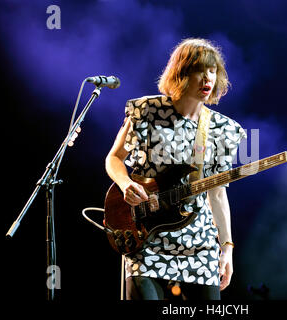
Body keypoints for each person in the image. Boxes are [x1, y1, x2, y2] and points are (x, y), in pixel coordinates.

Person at [105, 38, 246, 300]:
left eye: (213, 71)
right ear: (181, 73)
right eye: (199, 70)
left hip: (199, 242)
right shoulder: (146, 111)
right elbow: (114, 158)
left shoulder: (224, 130)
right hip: (147, 237)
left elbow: (217, 193)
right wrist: (125, 184)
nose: (207, 78)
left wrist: (227, 248)